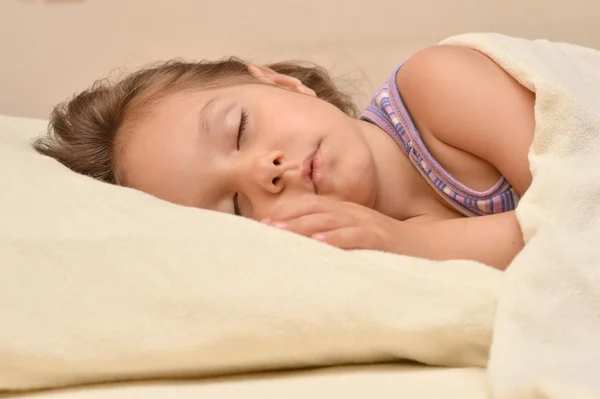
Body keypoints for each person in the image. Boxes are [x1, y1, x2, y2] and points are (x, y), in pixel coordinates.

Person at [34, 44, 535, 270]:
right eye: (234, 205)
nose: (263, 173)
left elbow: (584, 207)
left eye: (241, 129)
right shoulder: (367, 257)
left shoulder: (438, 87)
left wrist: (412, 242)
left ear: (281, 82)